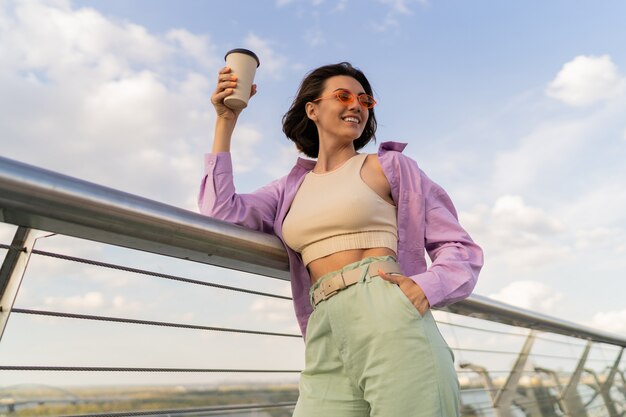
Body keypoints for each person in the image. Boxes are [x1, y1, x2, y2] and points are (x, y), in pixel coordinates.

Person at [199, 61, 483, 417]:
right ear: (312, 109)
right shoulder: (288, 189)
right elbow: (219, 210)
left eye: (365, 101)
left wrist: (424, 288)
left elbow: (458, 246)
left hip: (390, 315)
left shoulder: (390, 167)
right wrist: (225, 121)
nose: (356, 106)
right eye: (344, 96)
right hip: (323, 325)